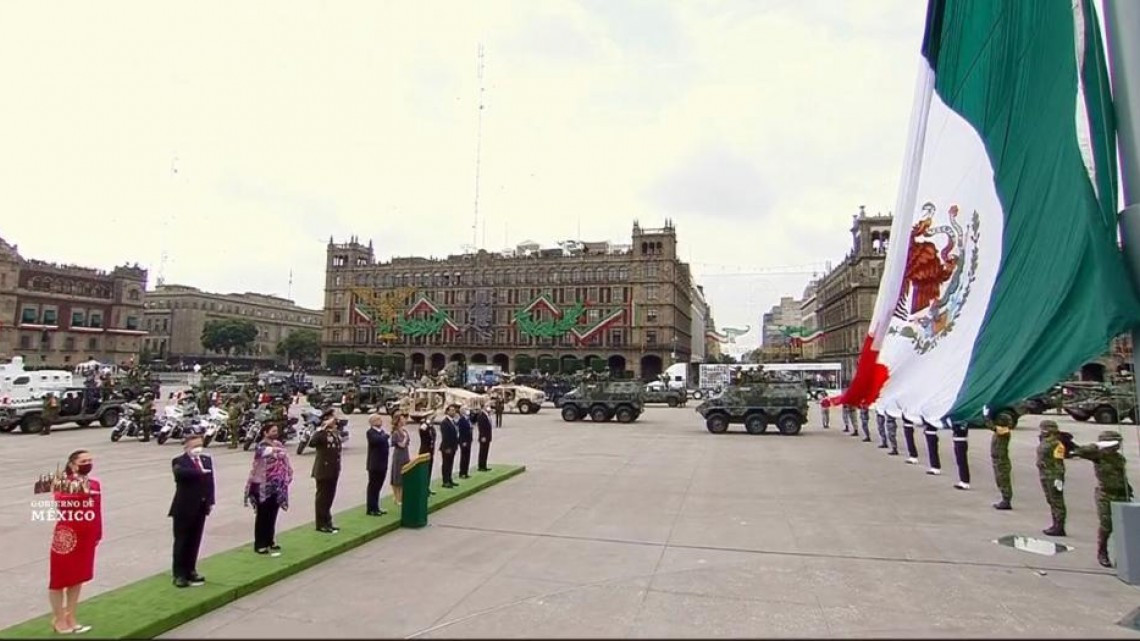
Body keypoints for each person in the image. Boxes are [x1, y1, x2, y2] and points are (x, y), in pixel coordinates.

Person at [47, 449, 102, 635]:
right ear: (72, 464)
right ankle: (59, 619)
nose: (88, 464)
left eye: (90, 460)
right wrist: (82, 492)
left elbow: (97, 510)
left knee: (77, 578)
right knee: (59, 579)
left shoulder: (94, 484)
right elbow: (62, 502)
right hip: (67, 535)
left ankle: (71, 616)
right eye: (83, 461)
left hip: (87, 535)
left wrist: (98, 533)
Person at [1073, 430, 1134, 567]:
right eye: (1115, 443)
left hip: (1122, 494)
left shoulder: (1119, 458)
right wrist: (1098, 445)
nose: (1118, 446)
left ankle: (1123, 557)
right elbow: (1079, 451)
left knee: (1124, 527)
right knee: (1107, 526)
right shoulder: (1098, 455)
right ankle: (1102, 552)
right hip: (1106, 495)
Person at [169, 434, 215, 588]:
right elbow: (180, 475)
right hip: (184, 508)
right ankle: (179, 574)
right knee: (182, 541)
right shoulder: (179, 461)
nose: (198, 449)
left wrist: (210, 500)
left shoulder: (206, 460)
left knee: (195, 540)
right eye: (194, 446)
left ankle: (191, 570)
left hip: (201, 506)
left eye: (200, 445)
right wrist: (200, 472)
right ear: (186, 447)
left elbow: (210, 482)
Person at [244, 422, 293, 556]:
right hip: (262, 486)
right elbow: (264, 452)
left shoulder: (278, 444)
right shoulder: (261, 445)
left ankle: (270, 541)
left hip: (276, 485)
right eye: (273, 431)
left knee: (272, 514)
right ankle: (260, 544)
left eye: (276, 431)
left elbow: (285, 460)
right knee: (263, 515)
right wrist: (277, 451)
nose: (275, 433)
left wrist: (287, 473)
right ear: (265, 433)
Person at [311, 411, 343, 533]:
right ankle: (321, 524)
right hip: (323, 470)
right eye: (332, 419)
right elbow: (312, 442)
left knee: (329, 497)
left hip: (333, 470)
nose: (335, 421)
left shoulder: (334, 433)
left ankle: (328, 521)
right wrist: (322, 427)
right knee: (322, 498)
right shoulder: (321, 433)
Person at [1037, 420, 1067, 536]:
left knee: (1057, 501)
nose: (1042, 431)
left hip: (1053, 475)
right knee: (1050, 500)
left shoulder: (1057, 444)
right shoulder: (1045, 440)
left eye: (1044, 429)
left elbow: (1059, 463)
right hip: (1045, 474)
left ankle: (1059, 526)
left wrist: (1059, 478)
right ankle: (1055, 523)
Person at [365, 413, 390, 516]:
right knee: (373, 487)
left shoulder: (381, 432)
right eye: (378, 419)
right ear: (373, 422)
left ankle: (376, 507)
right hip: (374, 465)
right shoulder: (371, 432)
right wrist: (386, 436)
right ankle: (371, 508)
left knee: (378, 487)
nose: (381, 421)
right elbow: (377, 441)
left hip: (383, 463)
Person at [990, 412, 1014, 510]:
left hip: (1002, 460)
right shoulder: (1001, 430)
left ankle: (1006, 500)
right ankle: (1005, 499)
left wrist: (986, 417)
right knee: (1000, 480)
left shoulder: (1004, 431)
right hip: (998, 459)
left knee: (1003, 480)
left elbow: (992, 427)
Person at [389, 413, 412, 506]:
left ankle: (402, 496)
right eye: (402, 419)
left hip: (405, 454)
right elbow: (401, 445)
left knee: (404, 475)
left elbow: (407, 444)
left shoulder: (405, 431)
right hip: (398, 455)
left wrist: (406, 438)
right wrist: (405, 438)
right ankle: (396, 497)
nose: (404, 420)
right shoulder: (395, 433)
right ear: (398, 421)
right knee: (397, 476)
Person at [439, 405, 460, 489]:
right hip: (447, 447)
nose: (453, 412)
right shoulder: (445, 422)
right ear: (447, 412)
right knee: (446, 464)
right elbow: (445, 436)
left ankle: (449, 479)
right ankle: (445, 481)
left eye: (454, 410)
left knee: (450, 464)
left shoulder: (453, 421)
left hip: (453, 446)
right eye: (451, 410)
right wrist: (447, 447)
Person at [418, 415, 438, 495]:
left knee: (429, 470)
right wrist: (426, 423)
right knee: (424, 471)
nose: (432, 420)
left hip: (430, 451)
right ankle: (422, 488)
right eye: (430, 418)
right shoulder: (424, 426)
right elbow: (422, 430)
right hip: (424, 451)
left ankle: (427, 487)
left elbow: (433, 437)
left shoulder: (431, 427)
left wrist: (430, 424)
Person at [474, 404, 493, 472]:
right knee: (482, 452)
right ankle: (481, 466)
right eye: (486, 406)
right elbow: (481, 427)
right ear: (483, 408)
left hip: (487, 436)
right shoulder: (481, 416)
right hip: (483, 437)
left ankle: (484, 465)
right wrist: (483, 436)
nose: (488, 407)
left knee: (485, 452)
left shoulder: (487, 415)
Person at [457, 406, 474, 479]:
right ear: (462, 412)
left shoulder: (468, 419)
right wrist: (463, 441)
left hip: (468, 440)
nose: (467, 411)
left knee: (467, 457)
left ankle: (466, 472)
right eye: (466, 410)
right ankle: (462, 473)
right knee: (463, 457)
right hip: (464, 441)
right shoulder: (461, 420)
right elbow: (461, 432)